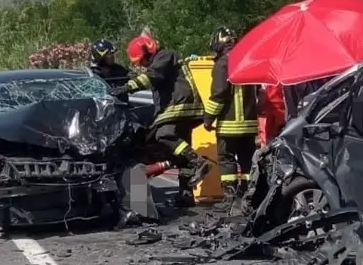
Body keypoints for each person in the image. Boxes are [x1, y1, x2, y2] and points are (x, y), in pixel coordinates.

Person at [109, 31, 212, 207]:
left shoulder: (165, 56)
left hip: (179, 105)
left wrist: (126, 88)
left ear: (148, 52)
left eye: (142, 61)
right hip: (178, 106)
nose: (142, 65)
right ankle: (185, 195)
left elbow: (152, 77)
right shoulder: (162, 59)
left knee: (164, 135)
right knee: (180, 156)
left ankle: (199, 162)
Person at [202, 27, 258, 215]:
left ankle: (230, 199)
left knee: (227, 161)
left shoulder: (223, 63)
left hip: (229, 123)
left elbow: (219, 94)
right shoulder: (247, 59)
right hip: (250, 124)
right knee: (247, 161)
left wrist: (208, 118)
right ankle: (250, 198)